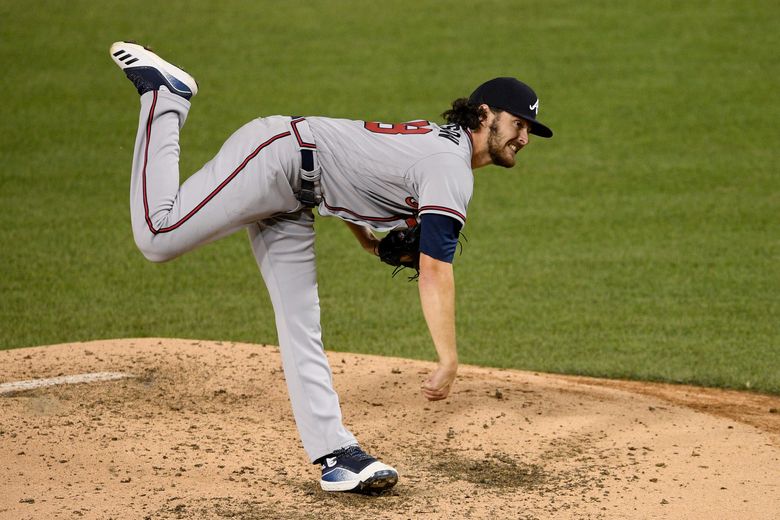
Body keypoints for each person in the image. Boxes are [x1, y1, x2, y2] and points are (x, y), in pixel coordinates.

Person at [109, 41, 553, 494]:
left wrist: (365, 240)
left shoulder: (441, 149)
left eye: (530, 129)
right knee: (157, 236)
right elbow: (437, 268)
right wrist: (448, 358)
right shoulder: (450, 167)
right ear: (484, 115)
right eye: (519, 123)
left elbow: (351, 166)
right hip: (274, 157)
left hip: (297, 192)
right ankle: (166, 99)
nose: (524, 136)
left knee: (302, 321)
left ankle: (335, 454)